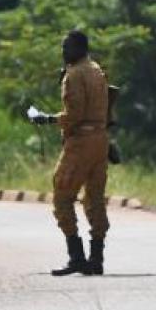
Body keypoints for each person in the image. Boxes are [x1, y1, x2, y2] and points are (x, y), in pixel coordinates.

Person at [29, 30, 111, 276]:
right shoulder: (97, 70)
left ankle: (76, 256)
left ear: (78, 48)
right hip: (100, 139)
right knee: (94, 198)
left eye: (66, 47)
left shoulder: (74, 75)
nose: (63, 52)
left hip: (81, 142)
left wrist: (46, 119)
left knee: (62, 195)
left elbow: (73, 114)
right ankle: (96, 258)